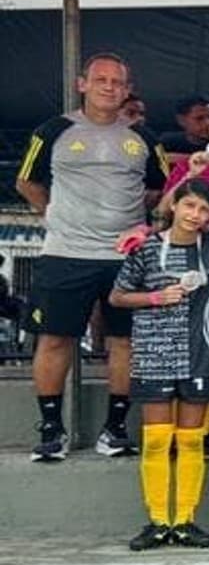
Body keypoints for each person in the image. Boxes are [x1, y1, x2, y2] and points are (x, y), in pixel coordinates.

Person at [16, 52, 169, 462]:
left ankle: (115, 429)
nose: (109, 88)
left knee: (125, 342)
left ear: (127, 89)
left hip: (126, 257)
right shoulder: (54, 130)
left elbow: (158, 189)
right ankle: (51, 429)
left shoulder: (143, 138)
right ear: (82, 84)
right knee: (54, 338)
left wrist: (128, 221)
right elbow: (26, 180)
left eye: (118, 82)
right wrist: (53, 215)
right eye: (100, 80)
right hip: (66, 252)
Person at [110, 178, 209, 550]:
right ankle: (158, 521)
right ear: (175, 206)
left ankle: (185, 521)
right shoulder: (145, 248)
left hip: (200, 353)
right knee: (157, 441)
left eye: (204, 209)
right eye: (189, 205)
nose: (195, 215)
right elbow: (117, 297)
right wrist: (154, 297)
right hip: (154, 353)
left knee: (192, 441)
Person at [158, 95, 209, 166]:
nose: (208, 123)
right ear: (181, 120)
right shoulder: (168, 142)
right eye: (199, 118)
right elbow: (154, 159)